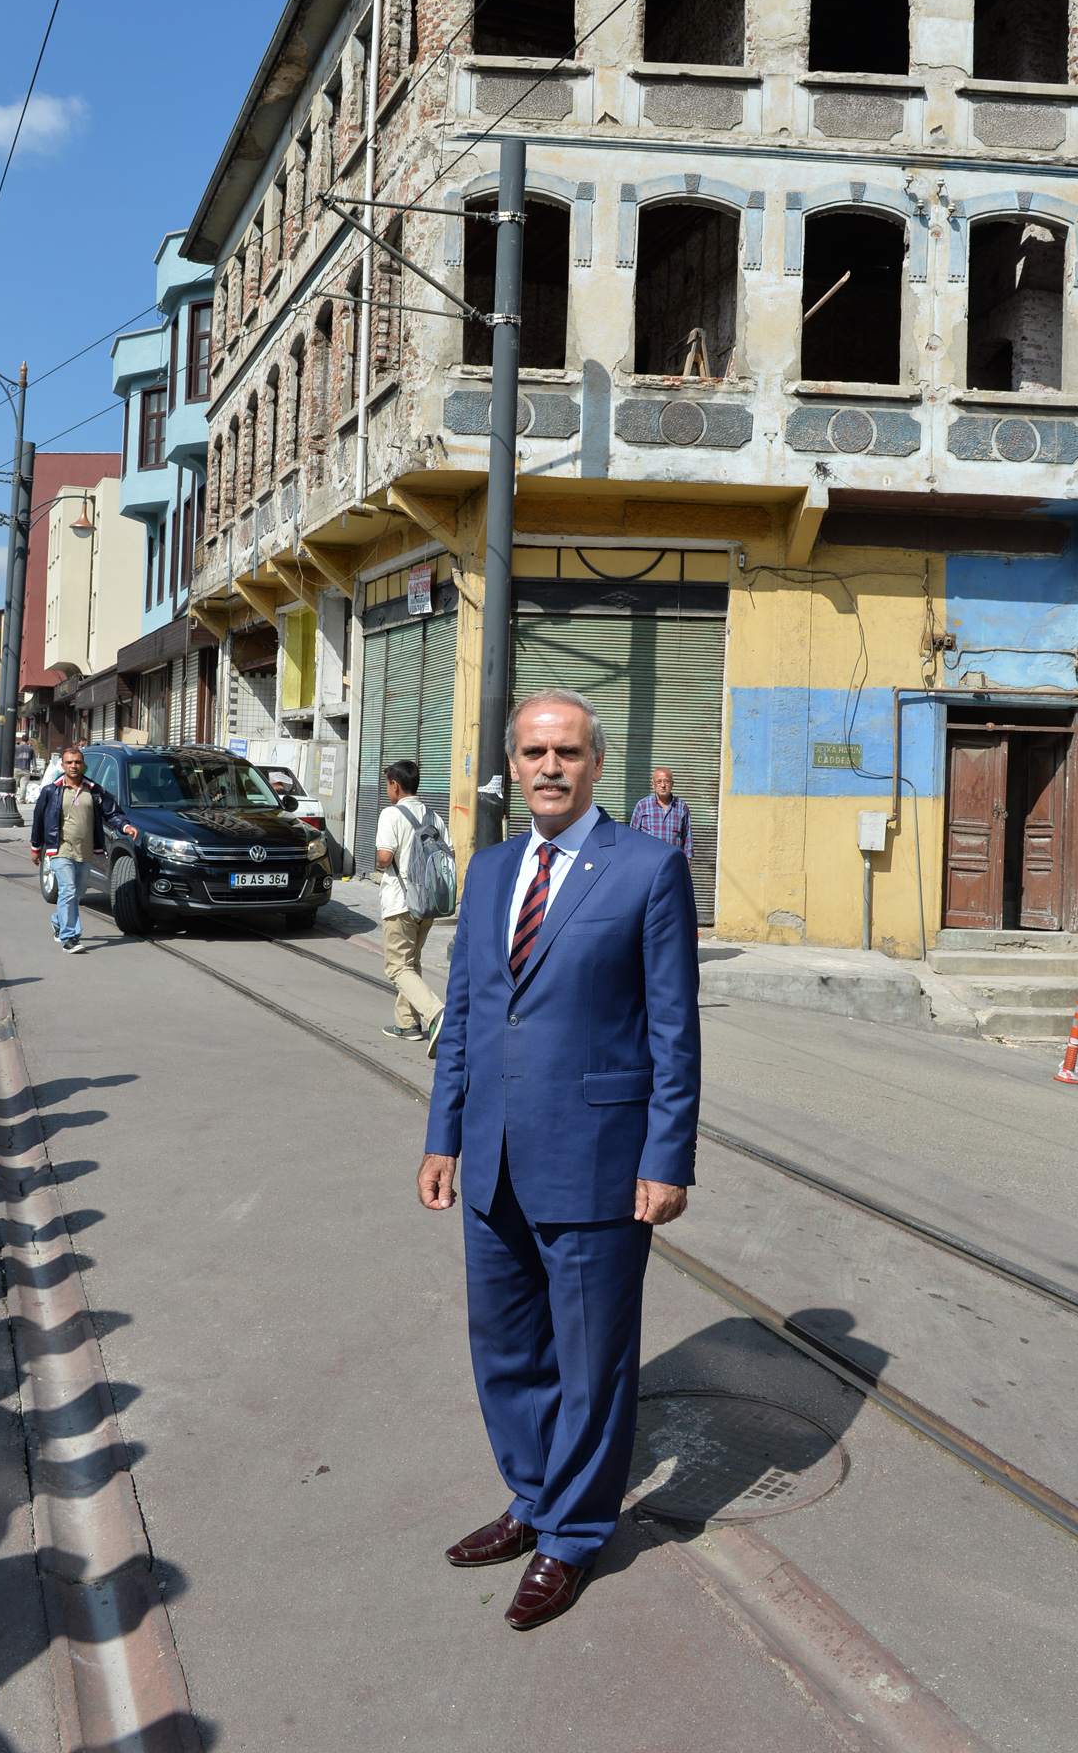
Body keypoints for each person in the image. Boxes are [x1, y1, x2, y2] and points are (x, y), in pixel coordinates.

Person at [420, 689, 700, 1632]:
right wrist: (442, 1136)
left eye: (568, 752)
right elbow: (465, 1014)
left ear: (595, 763)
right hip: (493, 1156)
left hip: (597, 1161)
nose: (550, 767)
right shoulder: (491, 869)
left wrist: (667, 1159)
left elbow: (673, 1030)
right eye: (535, 752)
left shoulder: (648, 869)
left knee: (590, 1361)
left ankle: (574, 1534)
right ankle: (534, 1495)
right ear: (513, 764)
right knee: (505, 1348)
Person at [29, 745, 138, 953]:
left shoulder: (94, 790)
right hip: (60, 849)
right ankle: (69, 938)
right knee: (68, 890)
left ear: (83, 765)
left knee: (76, 893)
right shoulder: (51, 791)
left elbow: (112, 812)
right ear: (62, 765)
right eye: (69, 762)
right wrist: (36, 847)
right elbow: (38, 820)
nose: (73, 766)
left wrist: (125, 826)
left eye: (77, 762)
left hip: (86, 851)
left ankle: (58, 921)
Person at [376, 759, 450, 1048]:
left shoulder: (391, 814)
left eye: (387, 785)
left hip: (400, 902)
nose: (387, 790)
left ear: (395, 785)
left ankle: (436, 1013)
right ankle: (407, 1024)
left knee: (397, 967)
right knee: (411, 963)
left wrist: (382, 864)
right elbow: (448, 854)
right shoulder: (434, 816)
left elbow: (384, 858)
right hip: (428, 903)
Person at [630, 765, 693, 858]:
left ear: (672, 784)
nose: (663, 785)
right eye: (658, 782)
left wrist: (688, 860)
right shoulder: (642, 805)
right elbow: (632, 836)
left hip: (673, 860)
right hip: (648, 859)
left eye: (667, 781)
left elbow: (687, 836)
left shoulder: (681, 807)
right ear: (653, 784)